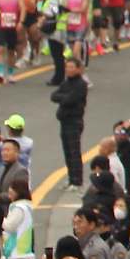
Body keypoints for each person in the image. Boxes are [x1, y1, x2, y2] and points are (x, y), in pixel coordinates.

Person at [50, 59, 89, 187]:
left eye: (72, 67)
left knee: (74, 151)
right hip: (64, 121)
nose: (69, 69)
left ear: (78, 69)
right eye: (67, 67)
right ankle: (71, 178)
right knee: (67, 151)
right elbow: (54, 96)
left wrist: (63, 98)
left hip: (74, 121)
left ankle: (77, 181)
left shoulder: (81, 84)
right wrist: (64, 97)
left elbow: (70, 99)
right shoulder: (66, 83)